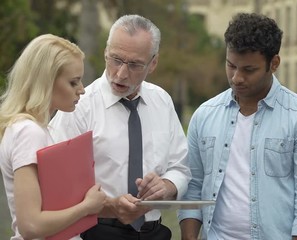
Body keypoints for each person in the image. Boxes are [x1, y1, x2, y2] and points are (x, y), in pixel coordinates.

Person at [178, 13, 297, 240]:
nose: (237, 77)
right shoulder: (204, 115)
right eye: (231, 65)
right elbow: (193, 188)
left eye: (249, 70)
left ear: (274, 63)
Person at [49, 14, 191, 240]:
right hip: (95, 231)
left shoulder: (162, 101)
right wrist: (109, 204)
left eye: (134, 64)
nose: (121, 73)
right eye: (115, 59)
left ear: (153, 63)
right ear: (106, 52)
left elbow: (181, 167)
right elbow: (58, 183)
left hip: (155, 232)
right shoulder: (78, 107)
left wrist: (167, 186)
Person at [0, 34, 106, 240]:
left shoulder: (40, 129)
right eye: (73, 82)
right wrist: (86, 207)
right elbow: (30, 225)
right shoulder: (27, 132)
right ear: (46, 82)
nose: (82, 89)